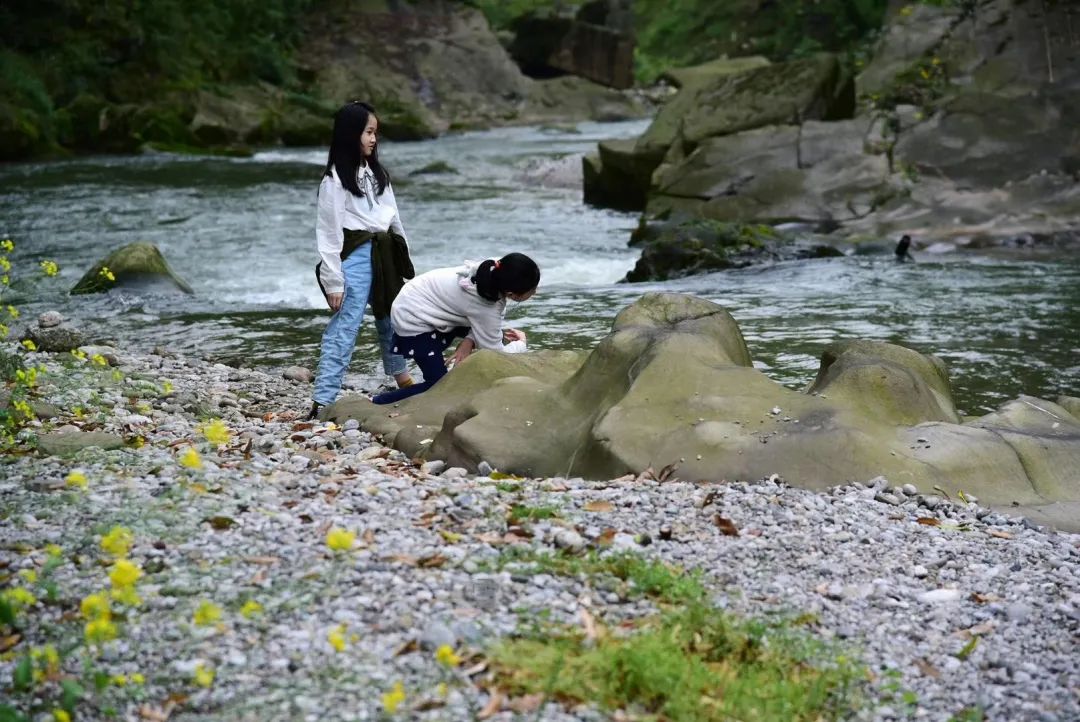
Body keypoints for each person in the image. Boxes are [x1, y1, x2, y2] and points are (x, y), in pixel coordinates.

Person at [309, 101, 415, 420]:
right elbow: (328, 233)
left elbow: (394, 217)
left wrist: (403, 258)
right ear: (350, 133)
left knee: (391, 318)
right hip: (355, 255)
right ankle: (323, 398)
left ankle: (402, 378)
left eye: (375, 133)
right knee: (346, 325)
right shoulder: (335, 180)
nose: (373, 139)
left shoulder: (377, 173)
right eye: (368, 132)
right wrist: (333, 281)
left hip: (384, 253)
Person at [371, 253, 540, 405]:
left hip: (426, 300)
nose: (535, 291)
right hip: (412, 318)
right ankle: (378, 403)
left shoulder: (496, 268)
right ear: (511, 294)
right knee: (438, 386)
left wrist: (469, 340)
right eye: (532, 290)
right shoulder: (485, 305)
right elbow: (495, 353)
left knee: (494, 332)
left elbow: (487, 317)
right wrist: (521, 344)